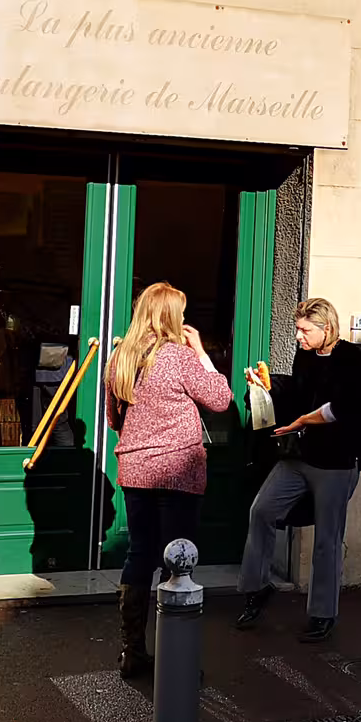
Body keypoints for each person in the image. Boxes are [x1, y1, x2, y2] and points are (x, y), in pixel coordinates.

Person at [104, 281, 232, 679]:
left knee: (139, 555)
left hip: (136, 470)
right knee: (178, 560)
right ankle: (175, 657)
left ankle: (132, 651)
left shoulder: (119, 357)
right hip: (178, 471)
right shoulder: (178, 357)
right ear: (169, 316)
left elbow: (112, 420)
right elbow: (221, 399)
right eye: (180, 311)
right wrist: (203, 355)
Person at [234, 297, 361, 643]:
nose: (298, 336)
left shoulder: (351, 357)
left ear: (326, 329)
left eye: (304, 330)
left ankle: (323, 614)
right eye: (298, 330)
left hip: (338, 461)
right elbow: (296, 392)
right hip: (299, 456)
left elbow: (344, 408)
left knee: (327, 538)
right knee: (261, 510)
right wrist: (267, 388)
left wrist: (301, 421)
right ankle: (257, 588)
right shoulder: (305, 356)